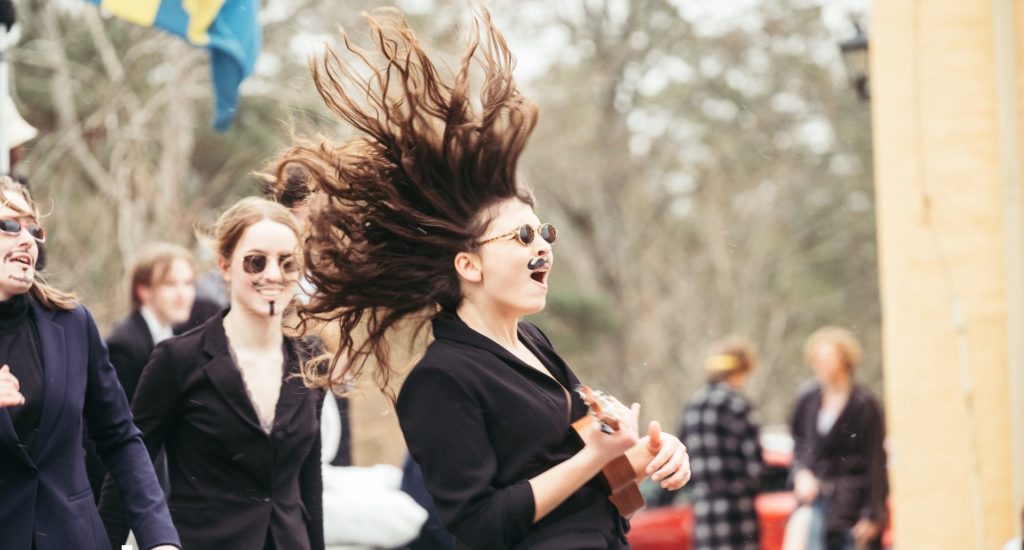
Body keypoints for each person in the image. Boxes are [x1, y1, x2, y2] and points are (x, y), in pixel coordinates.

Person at [273, 7, 691, 548]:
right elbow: (481, 525)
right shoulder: (439, 380)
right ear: (467, 265)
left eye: (544, 233)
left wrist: (648, 457)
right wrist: (597, 455)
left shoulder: (535, 343)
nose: (542, 245)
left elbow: (589, 475)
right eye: (521, 237)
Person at [98, 197, 326, 550]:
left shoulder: (311, 359)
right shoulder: (178, 359)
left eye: (287, 263)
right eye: (255, 261)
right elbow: (130, 467)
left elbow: (309, 480)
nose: (273, 274)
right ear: (224, 266)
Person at [0, 176, 179, 550]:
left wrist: (159, 537)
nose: (26, 238)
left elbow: (120, 438)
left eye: (34, 228)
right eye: (9, 224)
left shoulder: (72, 323)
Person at [84, 242, 198, 499]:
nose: (183, 294)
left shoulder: (175, 336)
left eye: (188, 283)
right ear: (143, 290)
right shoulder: (125, 346)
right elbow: (118, 433)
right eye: (171, 284)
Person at [789, 327, 888, 550]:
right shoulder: (808, 398)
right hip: (815, 506)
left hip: (851, 508)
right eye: (817, 359)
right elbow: (799, 445)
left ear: (845, 361)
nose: (820, 365)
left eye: (827, 359)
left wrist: (873, 514)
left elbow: (875, 461)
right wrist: (801, 472)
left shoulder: (864, 404)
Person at [675, 337, 764, 550]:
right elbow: (755, 465)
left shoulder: (693, 406)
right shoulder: (738, 405)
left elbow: (682, 457)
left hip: (704, 509)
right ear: (739, 370)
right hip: (737, 510)